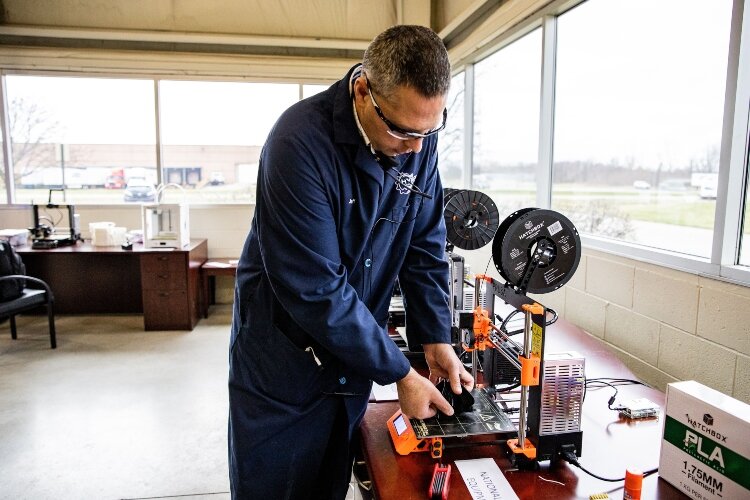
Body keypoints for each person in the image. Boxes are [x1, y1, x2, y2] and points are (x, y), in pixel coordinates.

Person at [228, 24, 474, 500]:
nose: (418, 148)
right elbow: (315, 288)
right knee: (275, 487)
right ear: (363, 90)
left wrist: (435, 338)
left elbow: (423, 244)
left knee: (328, 482)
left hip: (350, 353)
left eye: (431, 129)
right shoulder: (297, 144)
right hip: (284, 363)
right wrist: (400, 373)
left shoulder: (415, 136)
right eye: (403, 130)